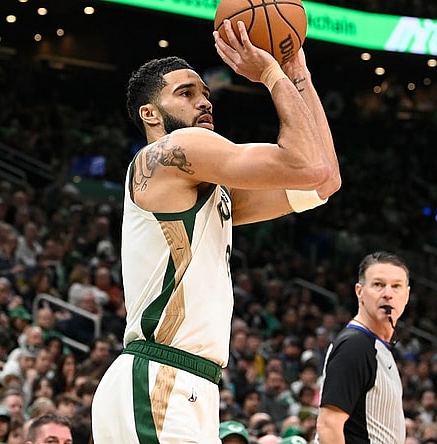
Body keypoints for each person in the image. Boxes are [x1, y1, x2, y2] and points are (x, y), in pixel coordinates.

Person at [92, 17, 340, 444]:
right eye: (185, 94)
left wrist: (299, 72)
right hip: (158, 376)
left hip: (194, 384)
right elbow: (309, 165)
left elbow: (324, 181)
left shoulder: (208, 191)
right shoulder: (172, 150)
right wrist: (270, 74)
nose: (204, 102)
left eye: (206, 93)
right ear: (149, 113)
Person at [315, 251, 411, 444]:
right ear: (359, 292)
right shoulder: (355, 346)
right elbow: (328, 426)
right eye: (378, 285)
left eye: (396, 286)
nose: (388, 294)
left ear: (406, 295)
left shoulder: (378, 347)